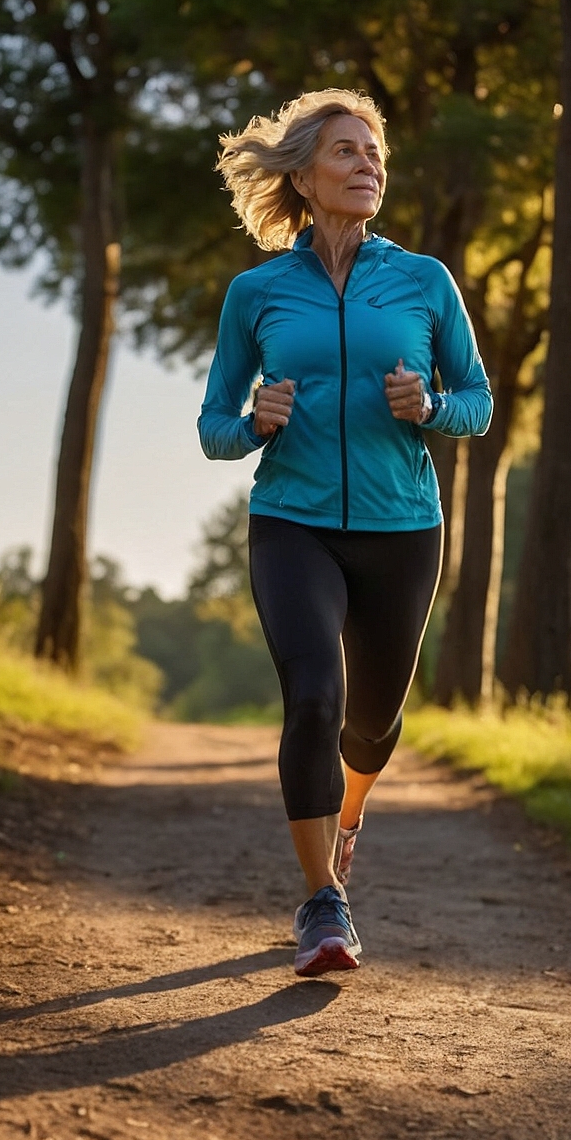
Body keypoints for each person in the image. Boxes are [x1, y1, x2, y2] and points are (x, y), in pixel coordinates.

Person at [198, 88, 492, 976]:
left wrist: (430, 406)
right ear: (304, 176)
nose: (367, 165)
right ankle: (323, 901)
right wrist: (255, 423)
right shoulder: (257, 293)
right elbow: (213, 428)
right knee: (315, 697)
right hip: (293, 523)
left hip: (403, 528)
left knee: (371, 724)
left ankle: (349, 812)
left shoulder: (423, 281)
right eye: (346, 151)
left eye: (375, 153)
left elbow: (477, 403)